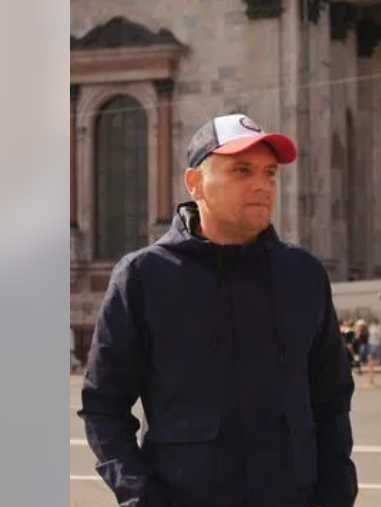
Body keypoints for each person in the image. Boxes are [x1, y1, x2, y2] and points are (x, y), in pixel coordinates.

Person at [79, 114, 358, 507]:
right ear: (195, 183)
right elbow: (104, 407)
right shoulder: (144, 277)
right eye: (242, 170)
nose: (262, 185)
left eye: (270, 173)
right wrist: (142, 498)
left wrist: (335, 495)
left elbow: (332, 400)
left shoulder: (303, 275)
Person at [366, 318, 381, 386]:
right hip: (372, 344)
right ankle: (371, 378)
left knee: (378, 361)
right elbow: (372, 334)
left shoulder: (379, 327)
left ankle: (371, 376)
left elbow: (380, 336)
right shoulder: (371, 327)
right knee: (370, 362)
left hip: (377, 345)